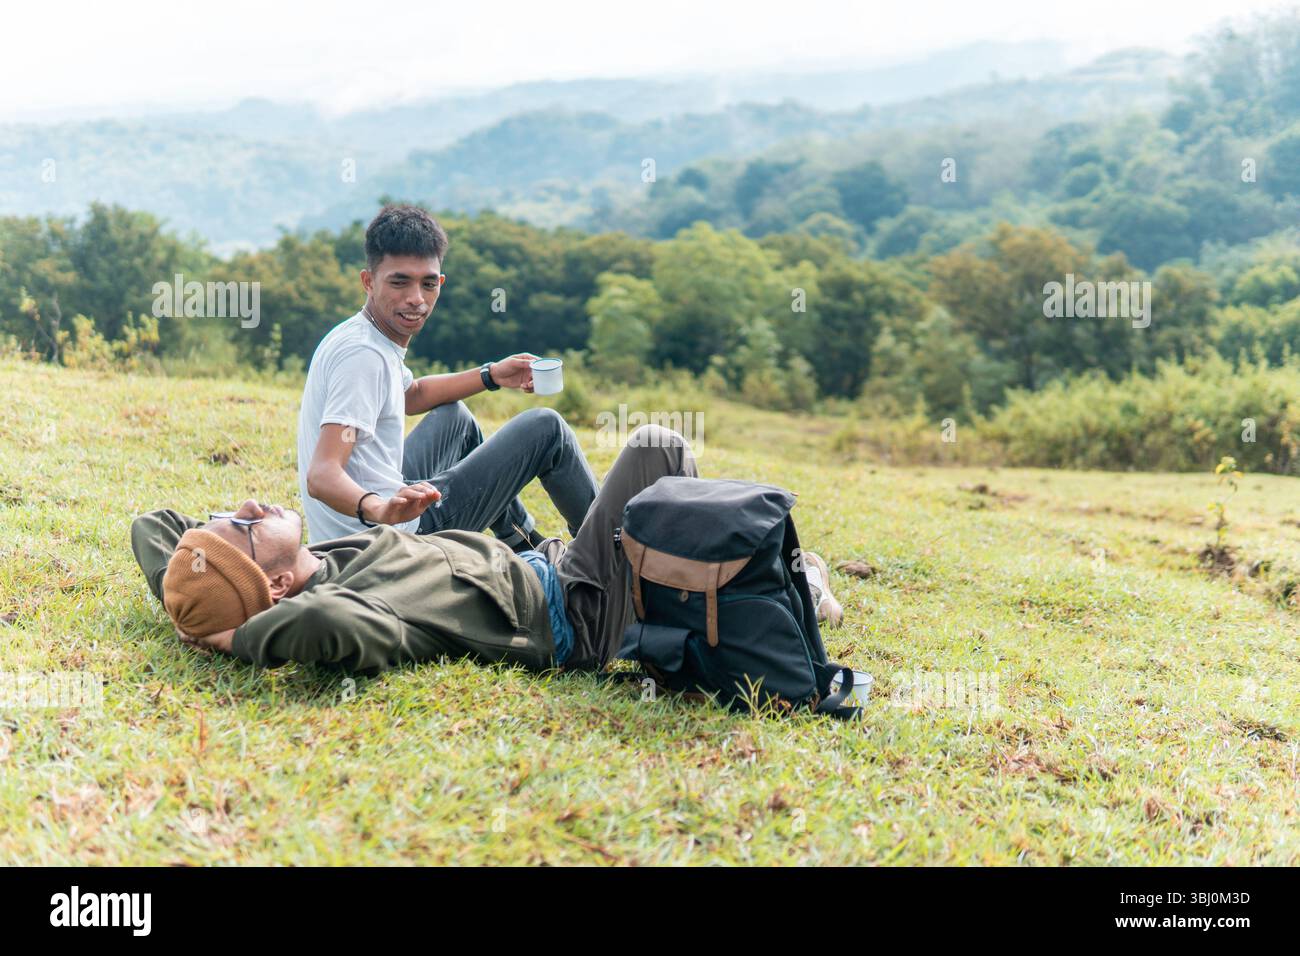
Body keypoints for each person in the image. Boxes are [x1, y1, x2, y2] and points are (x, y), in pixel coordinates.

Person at [130, 425, 843, 676]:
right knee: (659, 448)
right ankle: (766, 592)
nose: (248, 506)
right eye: (244, 527)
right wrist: (226, 636)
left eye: (230, 514)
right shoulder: (345, 608)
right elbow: (325, 630)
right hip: (577, 613)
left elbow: (154, 526)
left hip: (551, 566)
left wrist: (189, 603)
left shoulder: (315, 562)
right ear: (276, 586)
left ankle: (726, 583)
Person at [298, 203, 597, 552]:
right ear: (368, 281)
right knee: (547, 430)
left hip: (363, 529)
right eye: (400, 282)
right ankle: (605, 559)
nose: (416, 299)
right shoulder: (365, 356)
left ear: (440, 283)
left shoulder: (363, 334)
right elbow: (322, 475)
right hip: (384, 545)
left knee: (456, 419)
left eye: (427, 284)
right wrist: (379, 508)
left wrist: (493, 375)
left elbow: (413, 395)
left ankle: (526, 543)